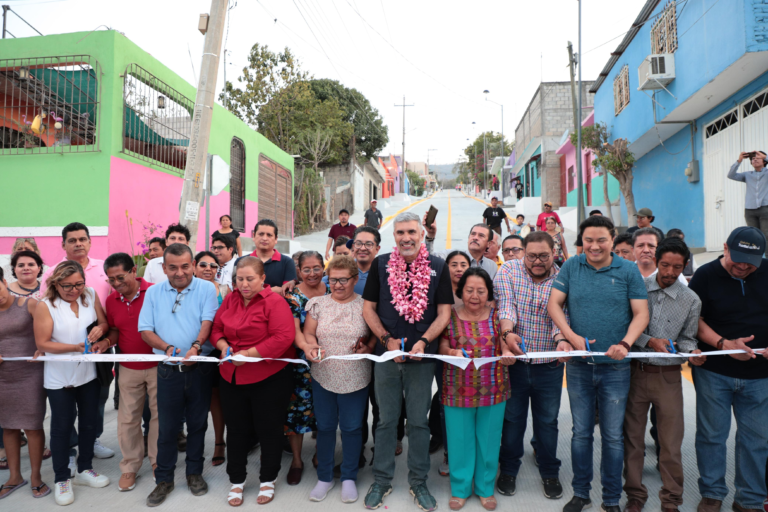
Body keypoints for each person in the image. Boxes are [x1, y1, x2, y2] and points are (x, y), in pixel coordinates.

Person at [548, 215, 649, 512]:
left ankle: (611, 499)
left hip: (616, 367)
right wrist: (569, 335)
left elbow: (641, 314)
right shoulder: (571, 266)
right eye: (589, 240)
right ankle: (581, 493)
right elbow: (554, 303)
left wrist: (626, 344)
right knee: (581, 433)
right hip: (579, 366)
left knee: (613, 436)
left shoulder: (629, 270)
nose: (594, 246)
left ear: (613, 238)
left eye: (601, 240)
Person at [361, 211, 453, 511]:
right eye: (400, 233)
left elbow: (444, 314)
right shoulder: (381, 263)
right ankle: (382, 479)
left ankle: (418, 481)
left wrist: (424, 342)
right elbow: (369, 309)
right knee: (386, 421)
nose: (406, 238)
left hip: (422, 359)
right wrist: (386, 340)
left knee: (418, 422)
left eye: (411, 232)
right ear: (394, 236)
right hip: (387, 356)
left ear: (421, 234)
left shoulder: (438, 265)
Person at [688, 226, 768, 512]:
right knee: (711, 435)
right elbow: (693, 319)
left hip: (761, 375)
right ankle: (712, 493)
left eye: (751, 262)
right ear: (725, 248)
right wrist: (724, 344)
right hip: (714, 371)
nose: (744, 266)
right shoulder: (706, 276)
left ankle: (750, 500)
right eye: (738, 259)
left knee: (757, 439)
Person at [622, 237, 704, 512]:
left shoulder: (691, 300)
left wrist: (693, 352)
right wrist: (649, 340)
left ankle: (671, 501)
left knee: (670, 444)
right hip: (635, 373)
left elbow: (688, 338)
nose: (669, 272)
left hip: (669, 377)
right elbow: (627, 329)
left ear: (685, 267)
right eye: (665, 265)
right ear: (656, 261)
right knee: (633, 440)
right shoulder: (637, 289)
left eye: (677, 267)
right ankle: (635, 495)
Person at [138, 243, 218, 507]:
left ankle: (194, 474)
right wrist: (167, 348)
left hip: (200, 369)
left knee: (197, 425)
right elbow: (145, 330)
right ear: (164, 268)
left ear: (193, 265)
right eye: (173, 267)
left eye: (185, 266)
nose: (180, 272)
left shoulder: (207, 288)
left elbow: (208, 321)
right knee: (167, 428)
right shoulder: (153, 293)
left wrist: (195, 346)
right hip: (167, 371)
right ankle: (164, 479)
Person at [211, 257, 295, 506]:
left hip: (267, 376)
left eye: (250, 279)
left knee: (269, 430)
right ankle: (236, 481)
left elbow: (283, 337)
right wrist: (224, 346)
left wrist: (248, 354)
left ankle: (268, 479)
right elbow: (216, 329)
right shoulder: (230, 299)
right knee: (236, 431)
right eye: (239, 279)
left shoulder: (275, 302)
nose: (244, 284)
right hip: (231, 375)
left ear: (262, 279)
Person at [495, 231, 566, 501]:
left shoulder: (562, 277)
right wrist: (507, 335)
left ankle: (550, 472)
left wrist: (561, 341)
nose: (537, 261)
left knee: (547, 421)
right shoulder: (509, 272)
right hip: (515, 362)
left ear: (554, 253)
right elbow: (506, 306)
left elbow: (561, 316)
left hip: (549, 365)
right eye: (532, 255)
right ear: (523, 252)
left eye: (544, 256)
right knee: (512, 421)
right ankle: (509, 470)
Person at [34, 261, 111, 505]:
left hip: (87, 372)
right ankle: (61, 478)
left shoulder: (90, 294)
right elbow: (43, 344)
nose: (74, 290)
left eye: (79, 284)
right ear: (55, 284)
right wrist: (75, 347)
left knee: (89, 423)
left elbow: (105, 323)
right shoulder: (46, 306)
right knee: (61, 427)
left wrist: (100, 331)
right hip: (59, 376)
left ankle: (84, 468)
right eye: (67, 286)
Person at [301, 255, 375, 503]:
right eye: (333, 280)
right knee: (325, 427)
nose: (338, 285)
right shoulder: (317, 304)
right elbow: (308, 334)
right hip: (324, 375)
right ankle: (324, 478)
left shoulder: (365, 305)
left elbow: (374, 337)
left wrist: (369, 347)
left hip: (356, 376)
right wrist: (312, 348)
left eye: (344, 280)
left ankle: (349, 478)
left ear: (355, 279)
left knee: (353, 428)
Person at [440, 267, 514, 511]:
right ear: (460, 292)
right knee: (459, 440)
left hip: (494, 387)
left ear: (488, 293)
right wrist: (450, 352)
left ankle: (485, 488)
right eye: (469, 290)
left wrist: (506, 353)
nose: (474, 295)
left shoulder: (497, 316)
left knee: (489, 439)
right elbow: (441, 344)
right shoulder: (449, 314)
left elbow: (505, 342)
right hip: (457, 388)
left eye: (481, 291)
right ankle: (460, 489)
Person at [39, 223, 114, 460]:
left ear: (90, 242)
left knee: (98, 396)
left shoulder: (103, 268)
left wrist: (102, 332)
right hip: (64, 347)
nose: (78, 243)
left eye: (83, 239)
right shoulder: (52, 272)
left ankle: (92, 440)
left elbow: (108, 308)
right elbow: (44, 312)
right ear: (64, 244)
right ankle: (70, 448)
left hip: (99, 346)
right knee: (64, 409)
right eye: (72, 240)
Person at [91, 253, 158, 493]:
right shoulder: (111, 300)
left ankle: (157, 463)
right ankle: (130, 466)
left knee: (158, 418)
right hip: (128, 367)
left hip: (158, 366)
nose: (117, 283)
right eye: (111, 280)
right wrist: (106, 342)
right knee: (127, 419)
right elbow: (117, 330)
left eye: (121, 277)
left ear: (133, 271)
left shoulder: (156, 293)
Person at [0, 268, 48, 499]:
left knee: (32, 425)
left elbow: (47, 333)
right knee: (8, 426)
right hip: (2, 378)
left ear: (4, 282)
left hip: (30, 375)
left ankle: (37, 476)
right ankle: (15, 476)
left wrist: (43, 347)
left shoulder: (29, 305)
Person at [283, 252, 328, 486]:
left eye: (317, 268)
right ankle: (297, 461)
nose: (312, 273)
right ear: (298, 271)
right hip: (301, 362)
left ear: (324, 268)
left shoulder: (332, 291)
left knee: (325, 411)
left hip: (329, 361)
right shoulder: (291, 294)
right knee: (297, 412)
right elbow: (294, 331)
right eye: (307, 269)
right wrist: (308, 348)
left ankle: (321, 456)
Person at [193, 251, 227, 467]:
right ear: (194, 266)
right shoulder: (186, 288)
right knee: (196, 402)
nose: (208, 269)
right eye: (203, 264)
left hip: (216, 350)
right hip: (191, 351)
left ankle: (218, 443)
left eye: (213, 266)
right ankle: (194, 446)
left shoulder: (225, 289)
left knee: (216, 400)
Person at [425, 219, 498, 280]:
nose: (475, 237)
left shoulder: (492, 266)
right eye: (473, 234)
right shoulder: (452, 256)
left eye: (481, 235)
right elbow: (429, 259)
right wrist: (430, 236)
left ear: (489, 243)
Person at [247, 219, 297, 296]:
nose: (264, 238)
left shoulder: (287, 262)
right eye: (261, 234)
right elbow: (239, 291)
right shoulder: (242, 261)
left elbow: (286, 293)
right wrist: (271, 291)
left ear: (276, 239)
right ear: (253, 236)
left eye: (269, 235)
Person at [728, 151, 768, 241]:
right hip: (750, 211)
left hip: (765, 209)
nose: (755, 159)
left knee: (766, 235)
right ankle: (756, 255)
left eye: (758, 158)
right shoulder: (747, 175)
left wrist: (765, 156)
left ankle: (766, 255)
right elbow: (731, 175)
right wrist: (739, 160)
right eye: (753, 158)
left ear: (764, 161)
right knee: (753, 236)